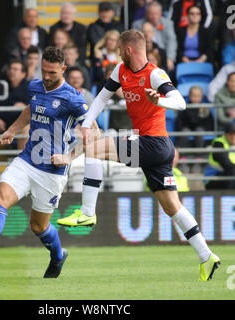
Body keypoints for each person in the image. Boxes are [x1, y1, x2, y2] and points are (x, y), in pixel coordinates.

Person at [55, 30, 220, 281]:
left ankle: (88, 212)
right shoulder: (120, 70)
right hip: (155, 148)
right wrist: (87, 123)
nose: (118, 53)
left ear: (129, 49)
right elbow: (101, 97)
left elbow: (180, 102)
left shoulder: (154, 74)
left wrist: (160, 101)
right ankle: (207, 256)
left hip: (153, 142)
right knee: (172, 207)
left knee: (94, 148)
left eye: (120, 49)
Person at [0, 46, 103, 279]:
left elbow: (94, 133)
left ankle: (57, 256)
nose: (46, 76)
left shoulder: (73, 98)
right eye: (44, 70)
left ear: (63, 69)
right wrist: (12, 130)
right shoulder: (34, 85)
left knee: (38, 226)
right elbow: (31, 108)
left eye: (52, 72)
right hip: (27, 160)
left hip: (52, 172)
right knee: (0, 198)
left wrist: (69, 156)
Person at [0, 60, 30, 150]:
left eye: (15, 69)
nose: (11, 71)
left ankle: (22, 163)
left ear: (23, 74)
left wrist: (25, 106)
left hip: (20, 127)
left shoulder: (31, 88)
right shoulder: (3, 88)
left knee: (26, 129)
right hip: (3, 127)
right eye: (10, 69)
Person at [132, 1, 177, 72]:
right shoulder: (137, 25)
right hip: (144, 55)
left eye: (156, 14)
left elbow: (171, 41)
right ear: (146, 14)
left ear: (161, 14)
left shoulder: (167, 24)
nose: (154, 17)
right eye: (151, 14)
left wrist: (170, 58)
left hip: (163, 56)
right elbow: (134, 43)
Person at [205, 122, 235, 190]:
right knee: (232, 172)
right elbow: (226, 164)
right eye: (231, 134)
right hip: (213, 178)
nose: (233, 137)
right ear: (225, 135)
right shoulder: (218, 144)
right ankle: (230, 197)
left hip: (226, 176)